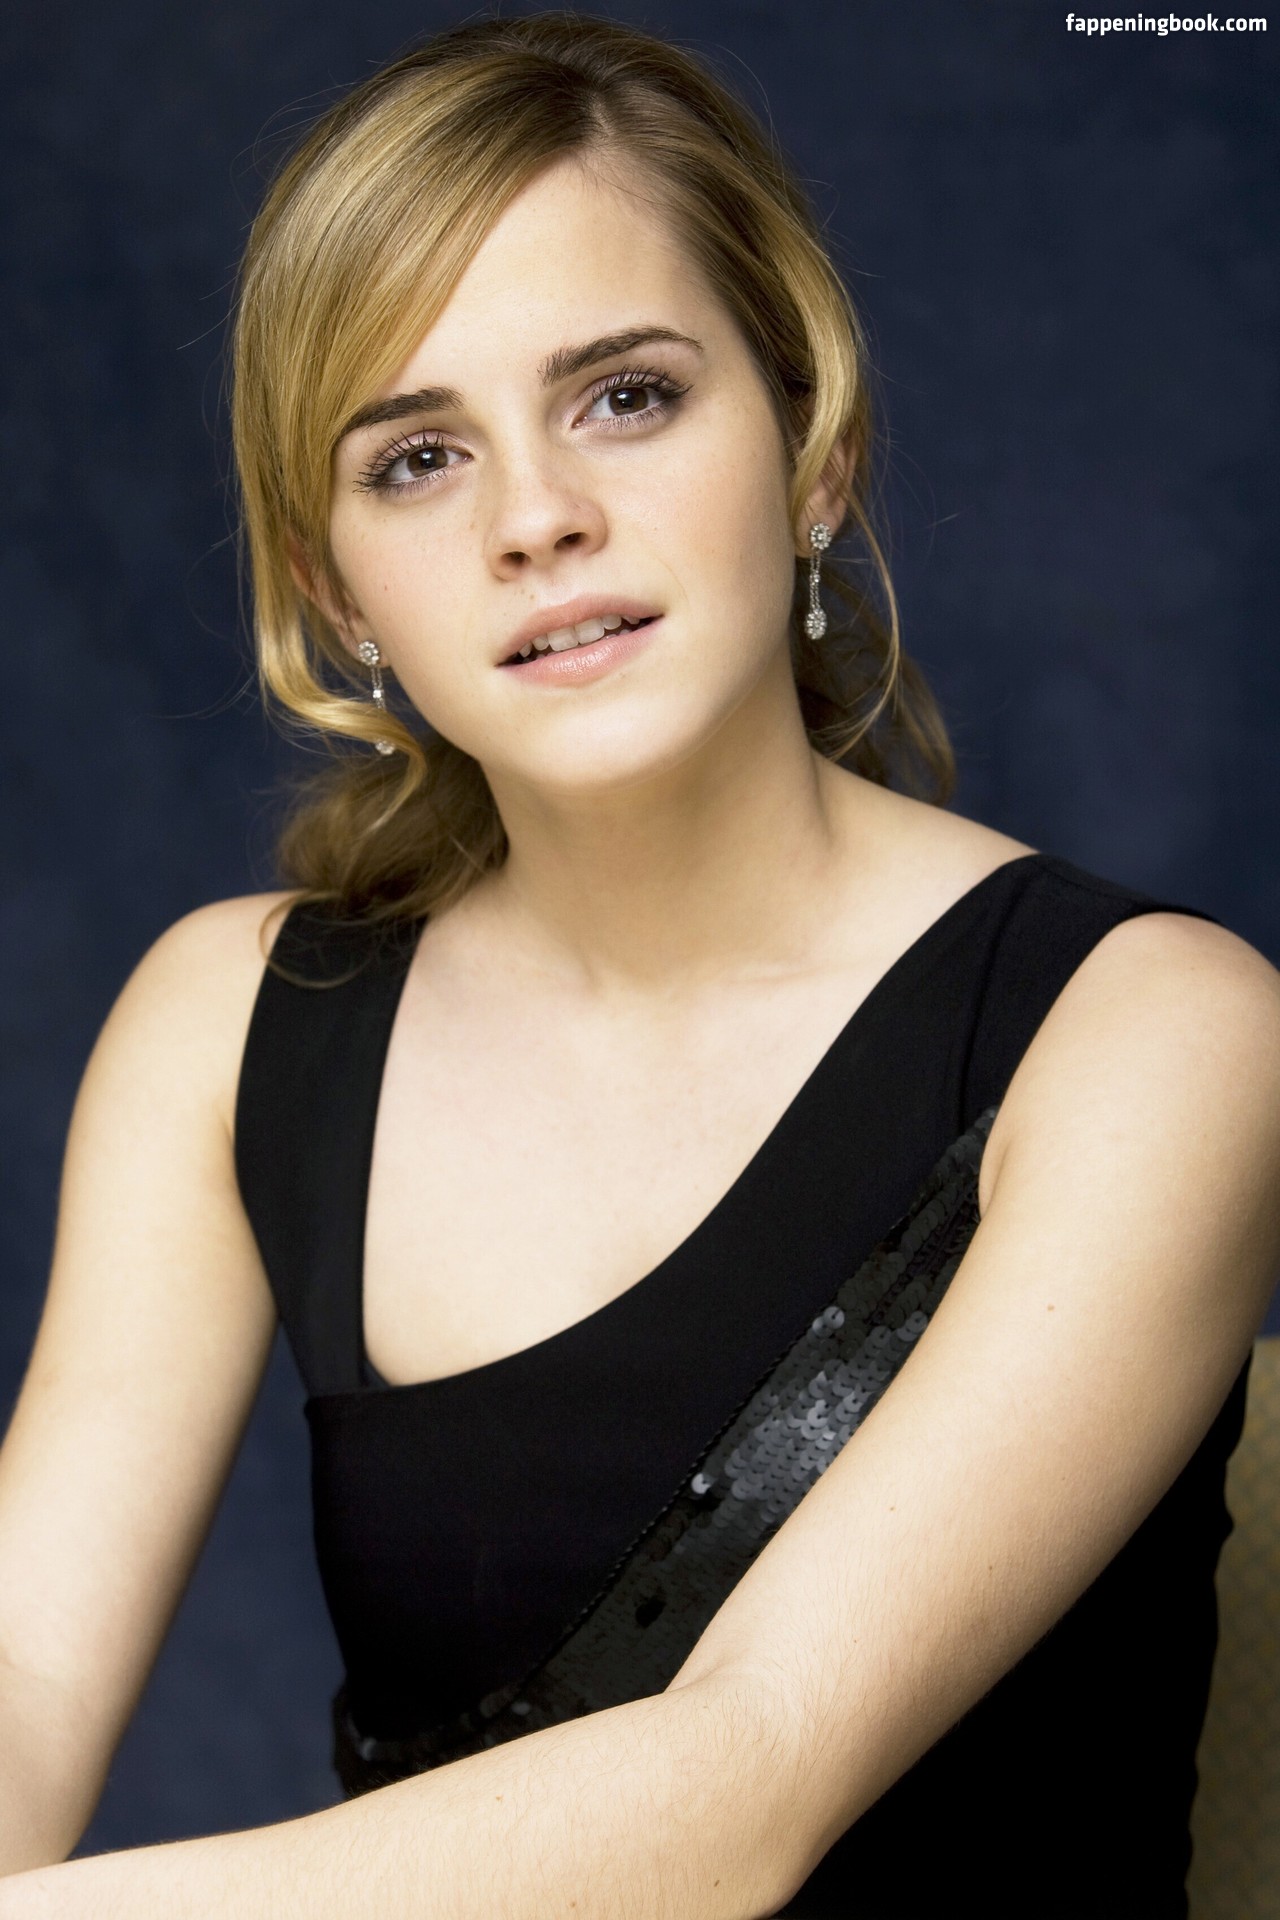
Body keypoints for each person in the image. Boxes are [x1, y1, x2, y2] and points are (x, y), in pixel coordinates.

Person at [0, 11, 1276, 1917]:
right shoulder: (229, 1024)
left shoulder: (1160, 1035)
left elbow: (743, 1786)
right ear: (338, 589)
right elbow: (24, 1663)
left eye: (625, 396)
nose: (538, 520)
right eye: (418, 458)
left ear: (814, 449)